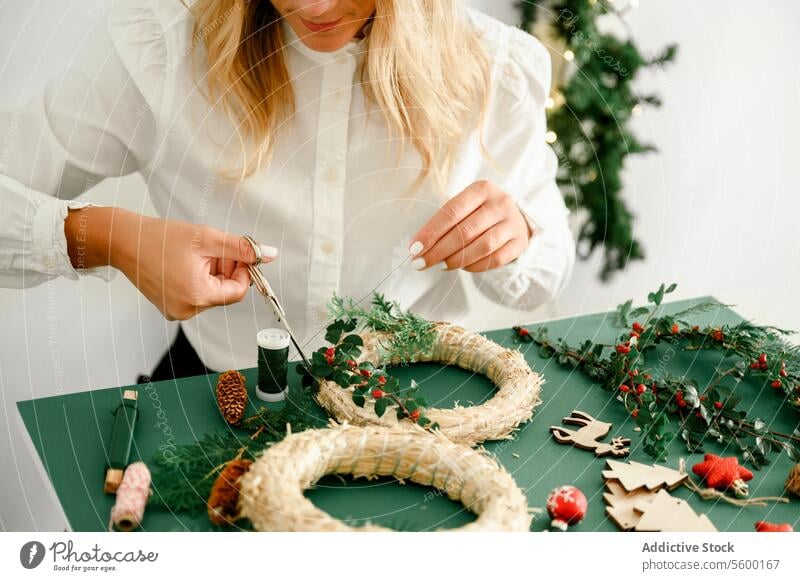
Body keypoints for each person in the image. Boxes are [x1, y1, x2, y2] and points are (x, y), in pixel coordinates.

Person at [0, 0, 575, 381]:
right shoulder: (161, 46)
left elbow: (544, 275)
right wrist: (110, 236)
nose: (313, 5)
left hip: (424, 409)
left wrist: (516, 235)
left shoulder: (495, 65)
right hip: (219, 394)